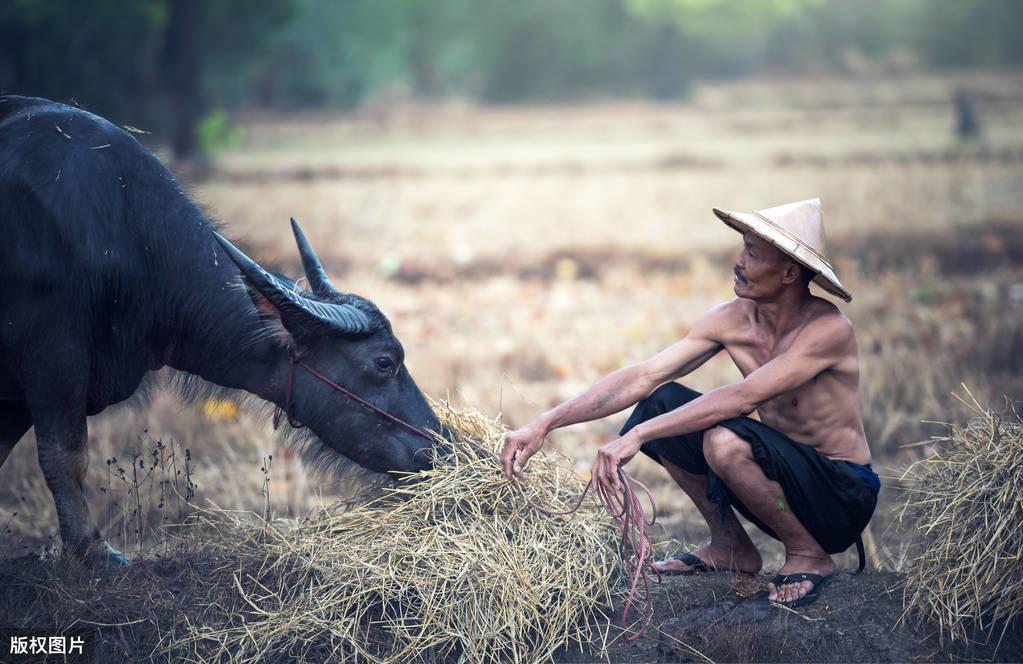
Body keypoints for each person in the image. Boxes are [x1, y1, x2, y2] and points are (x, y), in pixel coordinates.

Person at [501, 198, 879, 608]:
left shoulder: (828, 330)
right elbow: (645, 375)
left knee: (723, 441)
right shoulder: (731, 319)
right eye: (742, 248)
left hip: (840, 493)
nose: (738, 262)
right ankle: (730, 545)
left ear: (789, 272)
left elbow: (742, 398)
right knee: (660, 402)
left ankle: (808, 554)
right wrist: (545, 422)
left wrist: (637, 436)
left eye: (753, 254)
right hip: (779, 483)